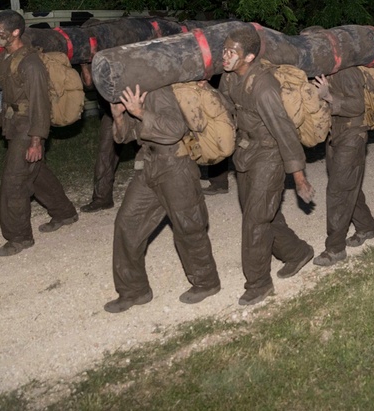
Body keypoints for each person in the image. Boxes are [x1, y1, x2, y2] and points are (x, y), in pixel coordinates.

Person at [103, 84, 221, 313]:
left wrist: (139, 112)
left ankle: (206, 282)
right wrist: (119, 116)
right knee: (127, 224)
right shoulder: (138, 90)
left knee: (188, 226)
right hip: (149, 165)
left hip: (176, 167)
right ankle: (134, 290)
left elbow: (174, 129)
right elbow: (128, 135)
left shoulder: (160, 90)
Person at [220, 27, 315, 306]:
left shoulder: (263, 87)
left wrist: (299, 178)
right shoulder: (229, 77)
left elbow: (285, 133)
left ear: (249, 56)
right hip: (246, 151)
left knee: (255, 221)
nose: (225, 56)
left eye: (232, 52)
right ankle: (298, 252)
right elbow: (224, 105)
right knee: (263, 214)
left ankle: (259, 283)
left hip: (270, 154)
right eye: (224, 49)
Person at [0, 10, 78, 257]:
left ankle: (19, 237)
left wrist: (37, 140)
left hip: (29, 125)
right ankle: (65, 213)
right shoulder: (1, 59)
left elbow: (40, 104)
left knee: (14, 182)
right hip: (12, 123)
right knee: (35, 174)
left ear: (15, 32)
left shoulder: (31, 63)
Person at [311, 68, 374, 266]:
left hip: (352, 135)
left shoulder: (347, 72)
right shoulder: (325, 71)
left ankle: (335, 249)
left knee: (338, 191)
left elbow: (357, 106)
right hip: (335, 134)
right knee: (347, 184)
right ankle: (367, 227)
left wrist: (329, 96)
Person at [78, 62, 119, 212]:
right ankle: (103, 198)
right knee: (105, 152)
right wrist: (84, 63)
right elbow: (89, 83)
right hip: (113, 110)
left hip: (138, 104)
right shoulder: (98, 54)